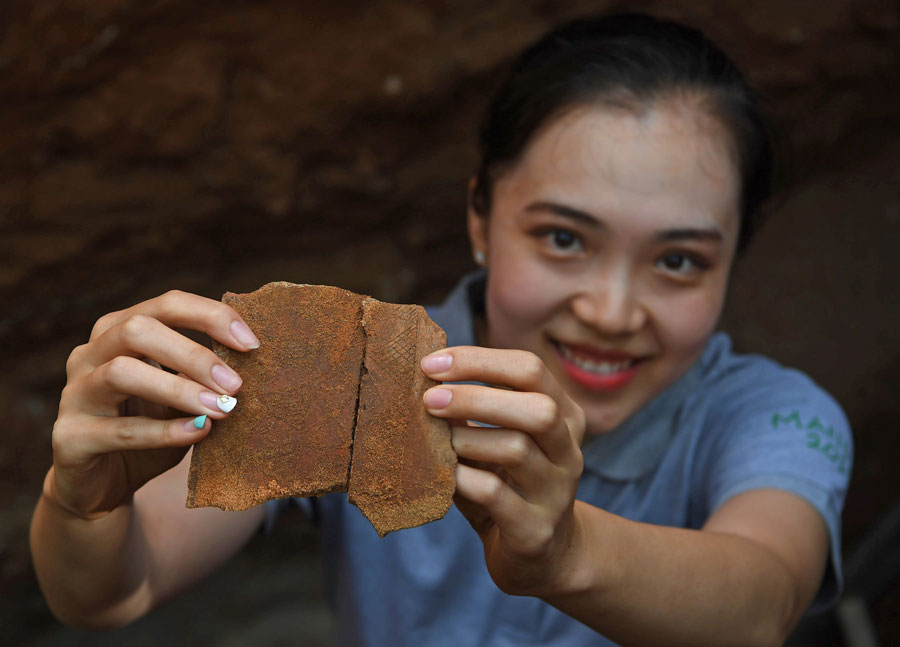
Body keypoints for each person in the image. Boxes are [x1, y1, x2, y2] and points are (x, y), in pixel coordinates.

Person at [30, 11, 852, 646]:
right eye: (563, 238)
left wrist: (565, 552)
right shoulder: (352, 380)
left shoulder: (773, 417)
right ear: (479, 219)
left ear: (735, 257)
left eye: (678, 261)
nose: (610, 310)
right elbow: (112, 590)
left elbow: (759, 603)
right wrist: (84, 500)